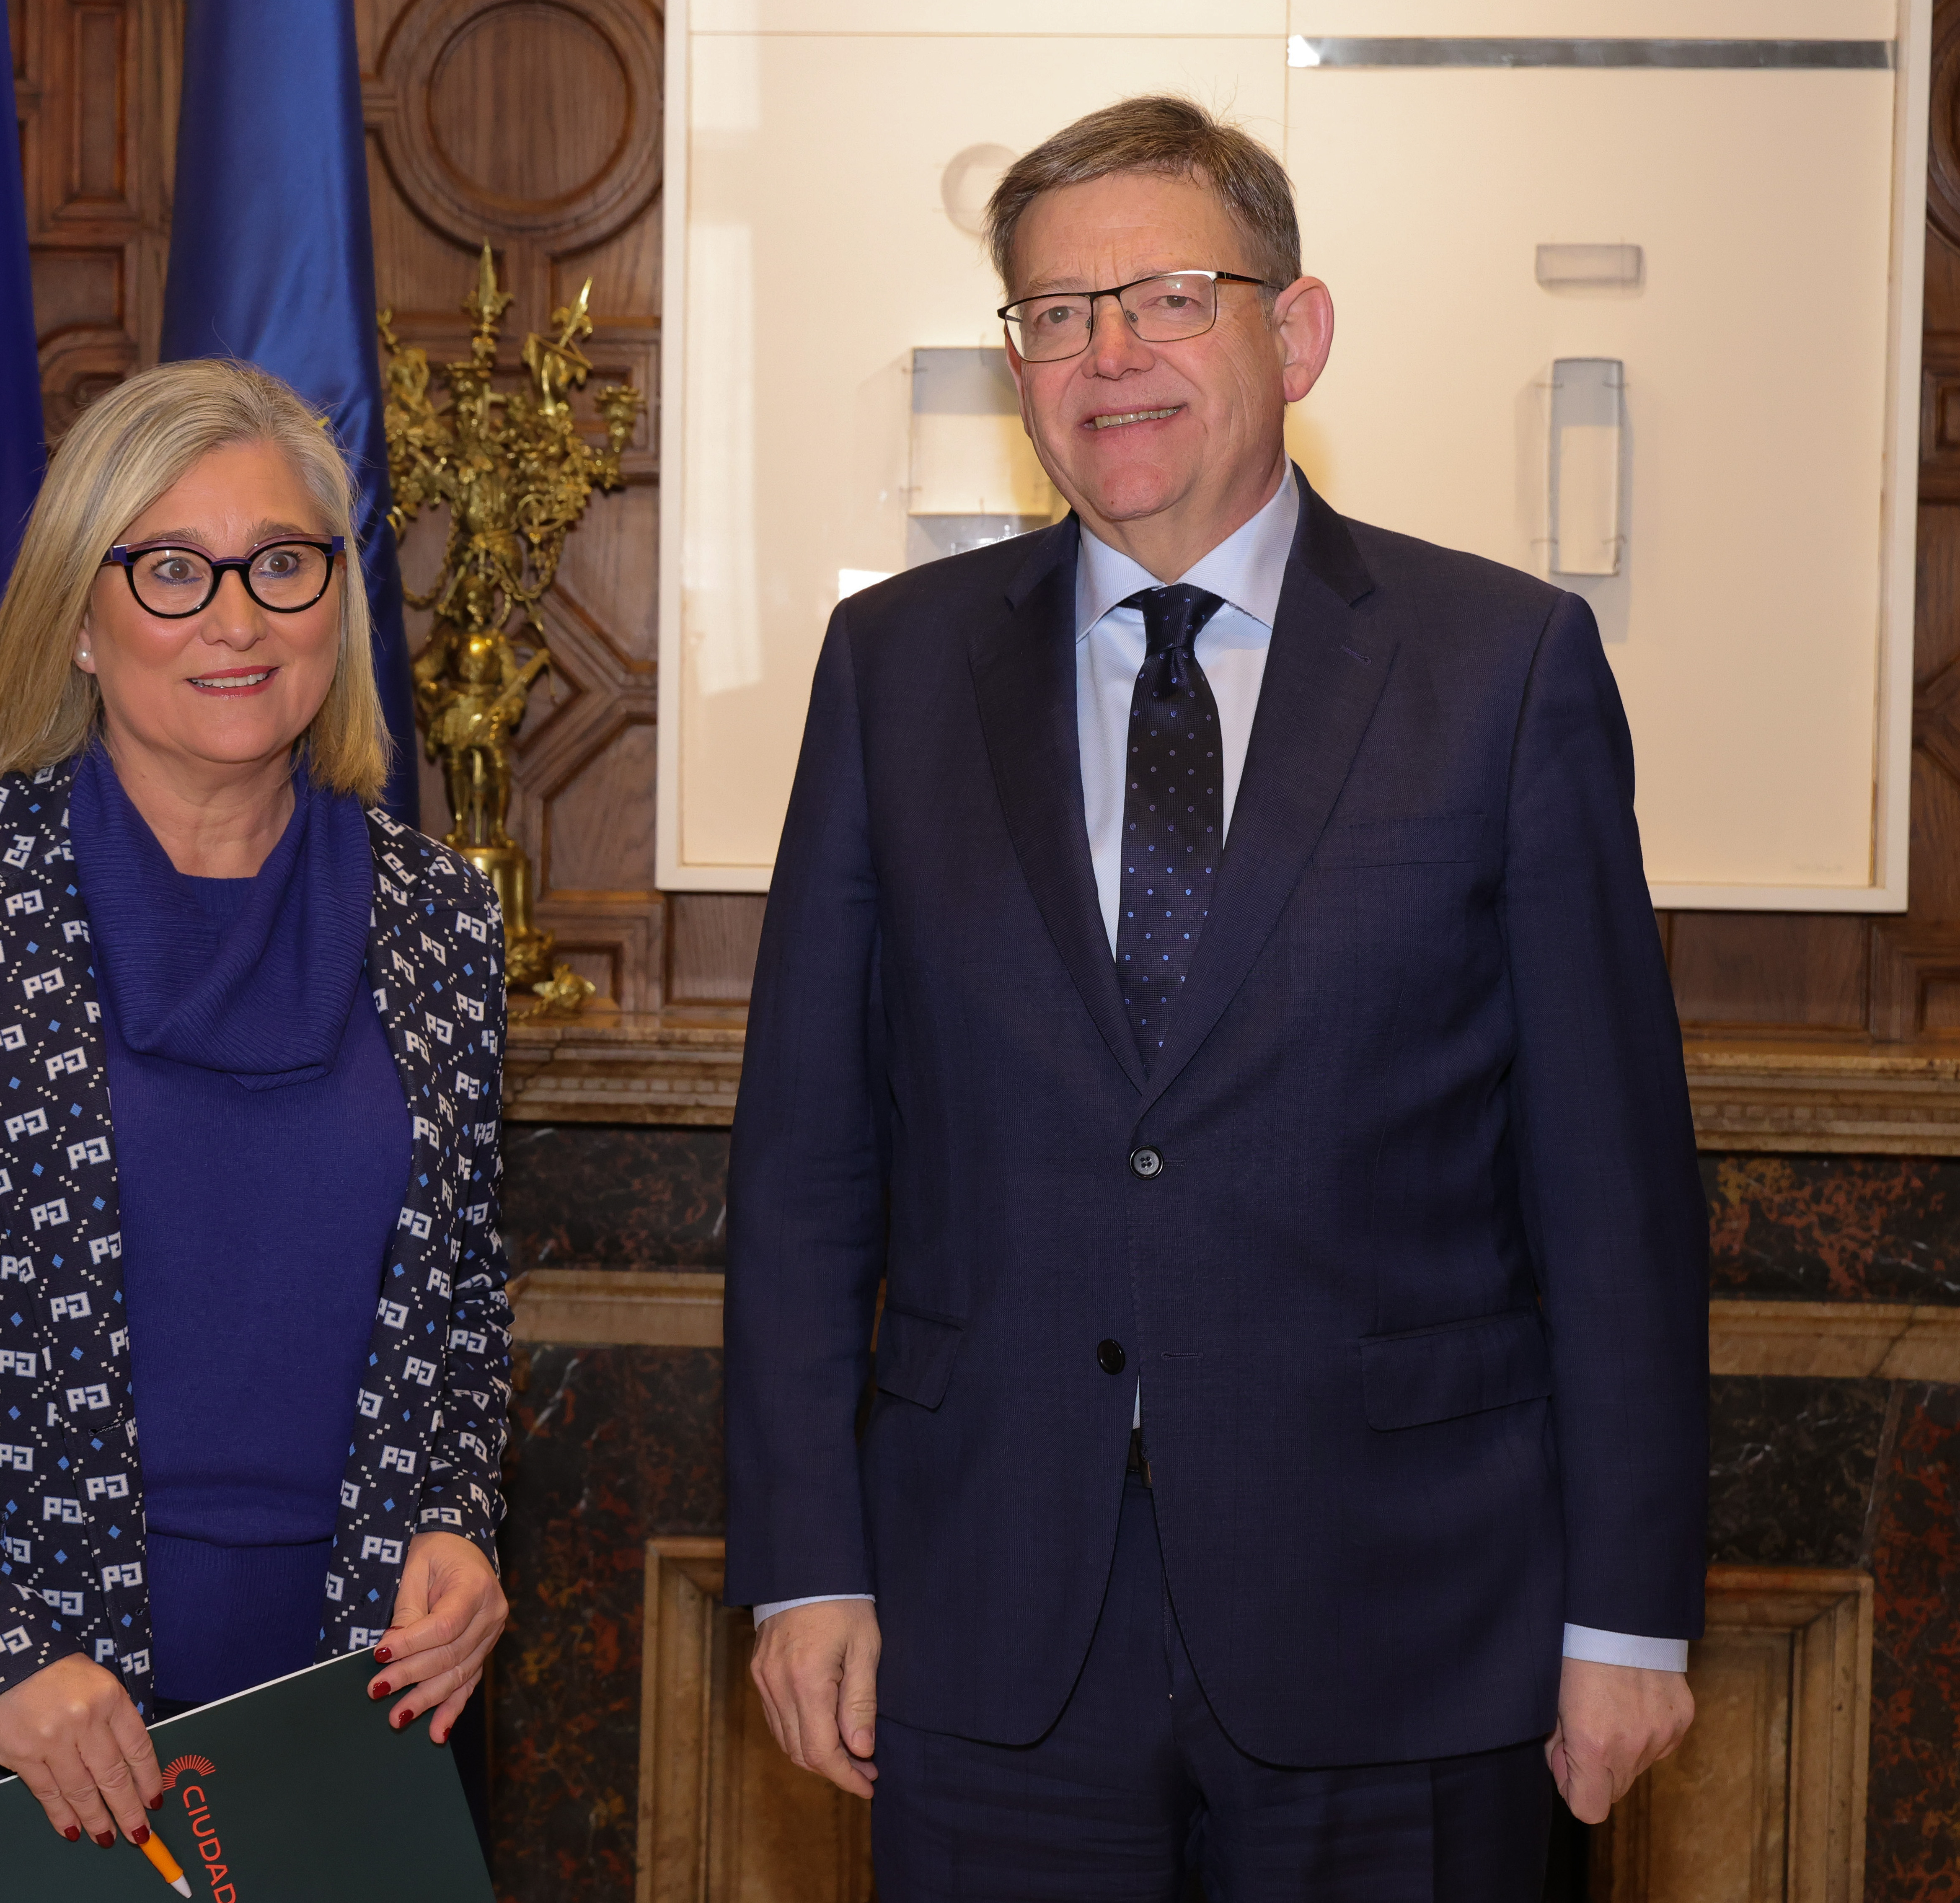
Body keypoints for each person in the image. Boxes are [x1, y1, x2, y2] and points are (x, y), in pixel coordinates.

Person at [726, 96, 1707, 1898]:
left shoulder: (1501, 669)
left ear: (1294, 328)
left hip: (1407, 1620)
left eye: (1168, 298)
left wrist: (1629, 1614)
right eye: (1053, 314)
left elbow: (1612, 1190)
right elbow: (801, 1167)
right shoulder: (894, 669)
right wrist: (806, 1562)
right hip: (989, 1624)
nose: (1109, 355)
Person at [0, 359, 514, 1903]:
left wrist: (458, 1522)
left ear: (338, 596)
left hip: (323, 1760)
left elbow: (456, 1306)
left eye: (284, 563)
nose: (238, 618)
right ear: (80, 611)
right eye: (173, 569)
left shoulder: (439, 919)